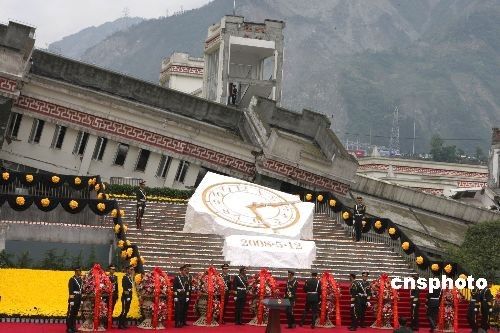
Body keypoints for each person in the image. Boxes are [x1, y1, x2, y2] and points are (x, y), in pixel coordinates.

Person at [66, 266, 83, 333]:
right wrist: (71, 300)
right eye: (79, 271)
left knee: (75, 313)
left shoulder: (81, 280)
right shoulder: (72, 279)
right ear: (76, 271)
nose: (80, 272)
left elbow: (82, 290)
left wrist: (81, 299)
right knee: (70, 313)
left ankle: (73, 327)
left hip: (79, 297)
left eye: (80, 271)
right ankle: (69, 328)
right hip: (74, 297)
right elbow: (71, 290)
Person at [103, 264, 119, 328]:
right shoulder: (106, 277)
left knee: (111, 309)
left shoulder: (115, 277)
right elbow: (104, 287)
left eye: (114, 269)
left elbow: (116, 287)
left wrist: (117, 295)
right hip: (107, 296)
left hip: (114, 296)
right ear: (109, 269)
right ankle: (105, 323)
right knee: (106, 310)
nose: (113, 270)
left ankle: (110, 323)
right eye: (112, 269)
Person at [118, 265, 134, 329]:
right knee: (124, 310)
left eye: (132, 269)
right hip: (125, 296)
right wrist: (127, 296)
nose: (132, 270)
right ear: (127, 270)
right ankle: (120, 324)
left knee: (127, 310)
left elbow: (130, 287)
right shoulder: (124, 277)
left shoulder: (129, 277)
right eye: (131, 269)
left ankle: (123, 323)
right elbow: (124, 288)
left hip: (129, 296)